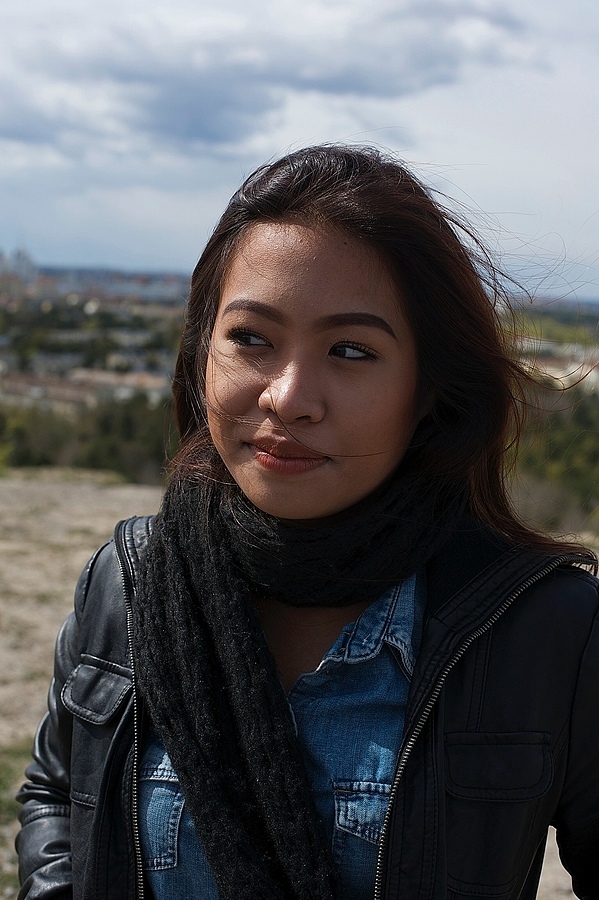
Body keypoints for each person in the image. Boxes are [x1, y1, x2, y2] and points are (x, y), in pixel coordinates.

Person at [16, 145, 599, 900]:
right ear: (201, 353)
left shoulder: (547, 628)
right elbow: (58, 792)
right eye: (251, 339)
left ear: (427, 389)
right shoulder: (129, 580)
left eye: (350, 351)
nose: (288, 397)